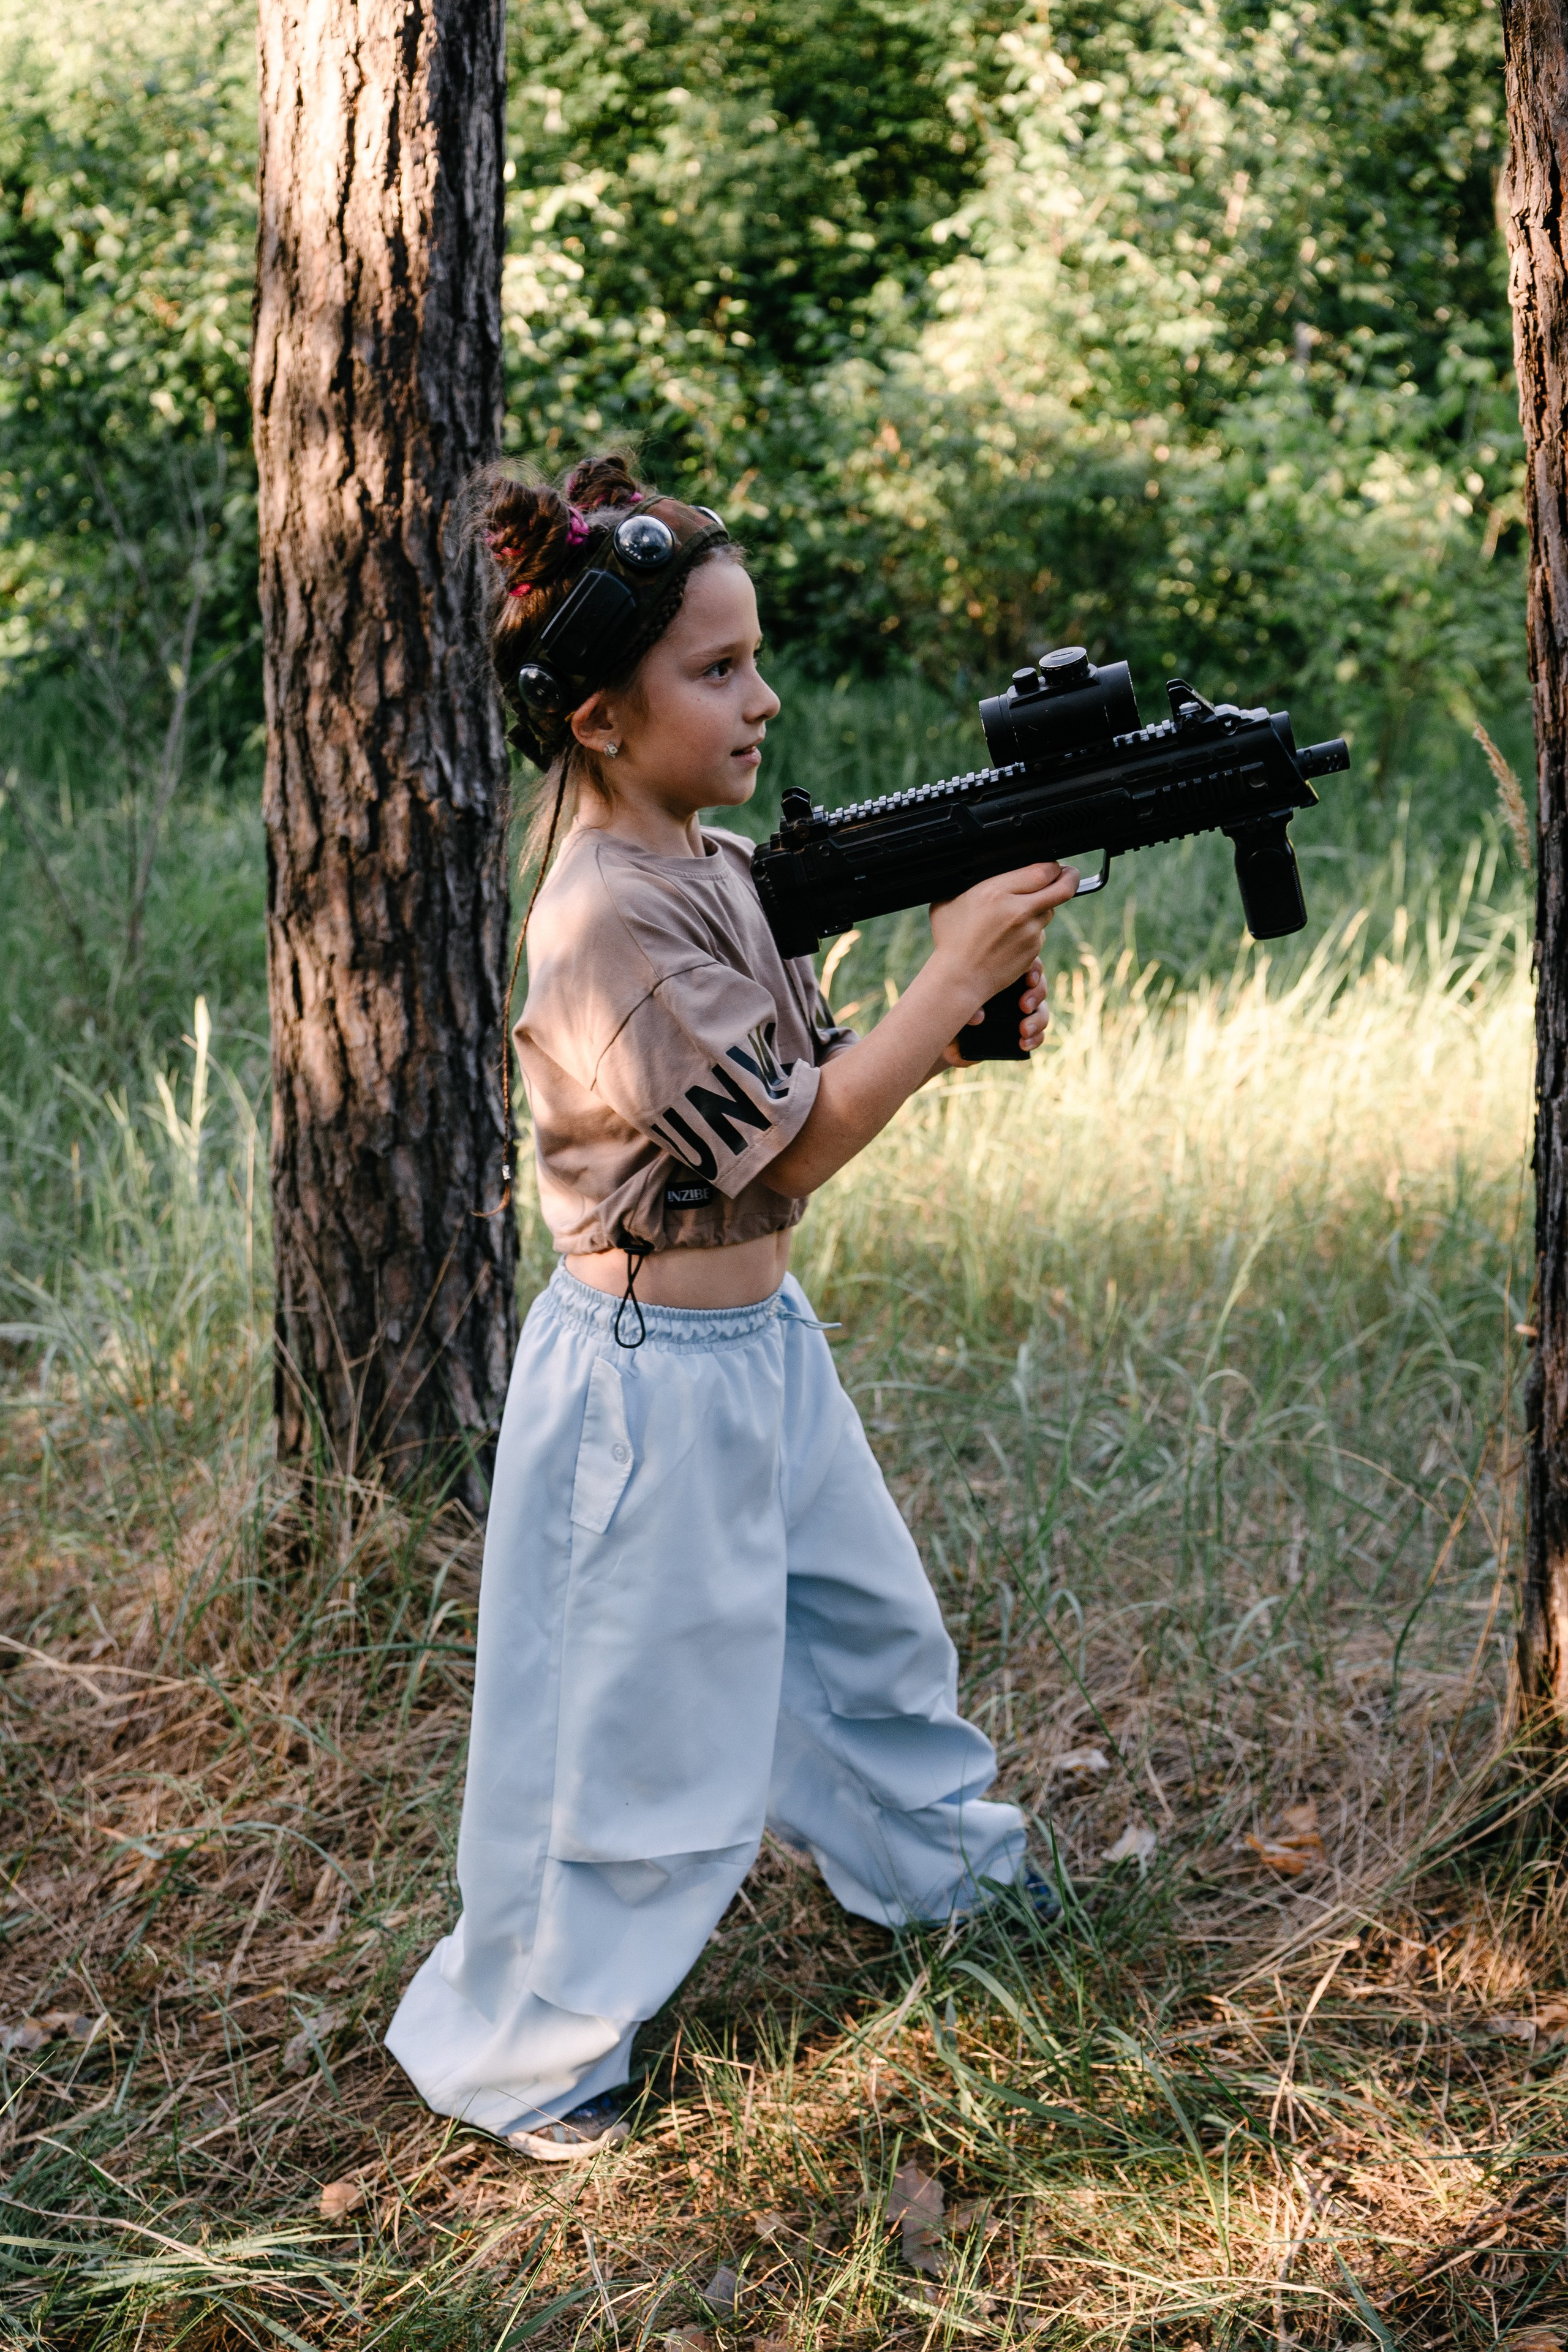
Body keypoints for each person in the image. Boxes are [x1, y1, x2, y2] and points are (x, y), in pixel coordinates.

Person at [385, 450, 1079, 2162]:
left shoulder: (714, 865)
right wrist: (943, 978)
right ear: (600, 721)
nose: (761, 697)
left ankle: (942, 1874)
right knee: (633, 1720)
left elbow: (801, 1077)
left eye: (754, 658)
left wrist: (951, 1030)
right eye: (717, 669)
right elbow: (808, 1138)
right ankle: (531, 2049)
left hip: (760, 1348)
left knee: (864, 1636)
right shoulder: (602, 924)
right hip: (645, 1385)